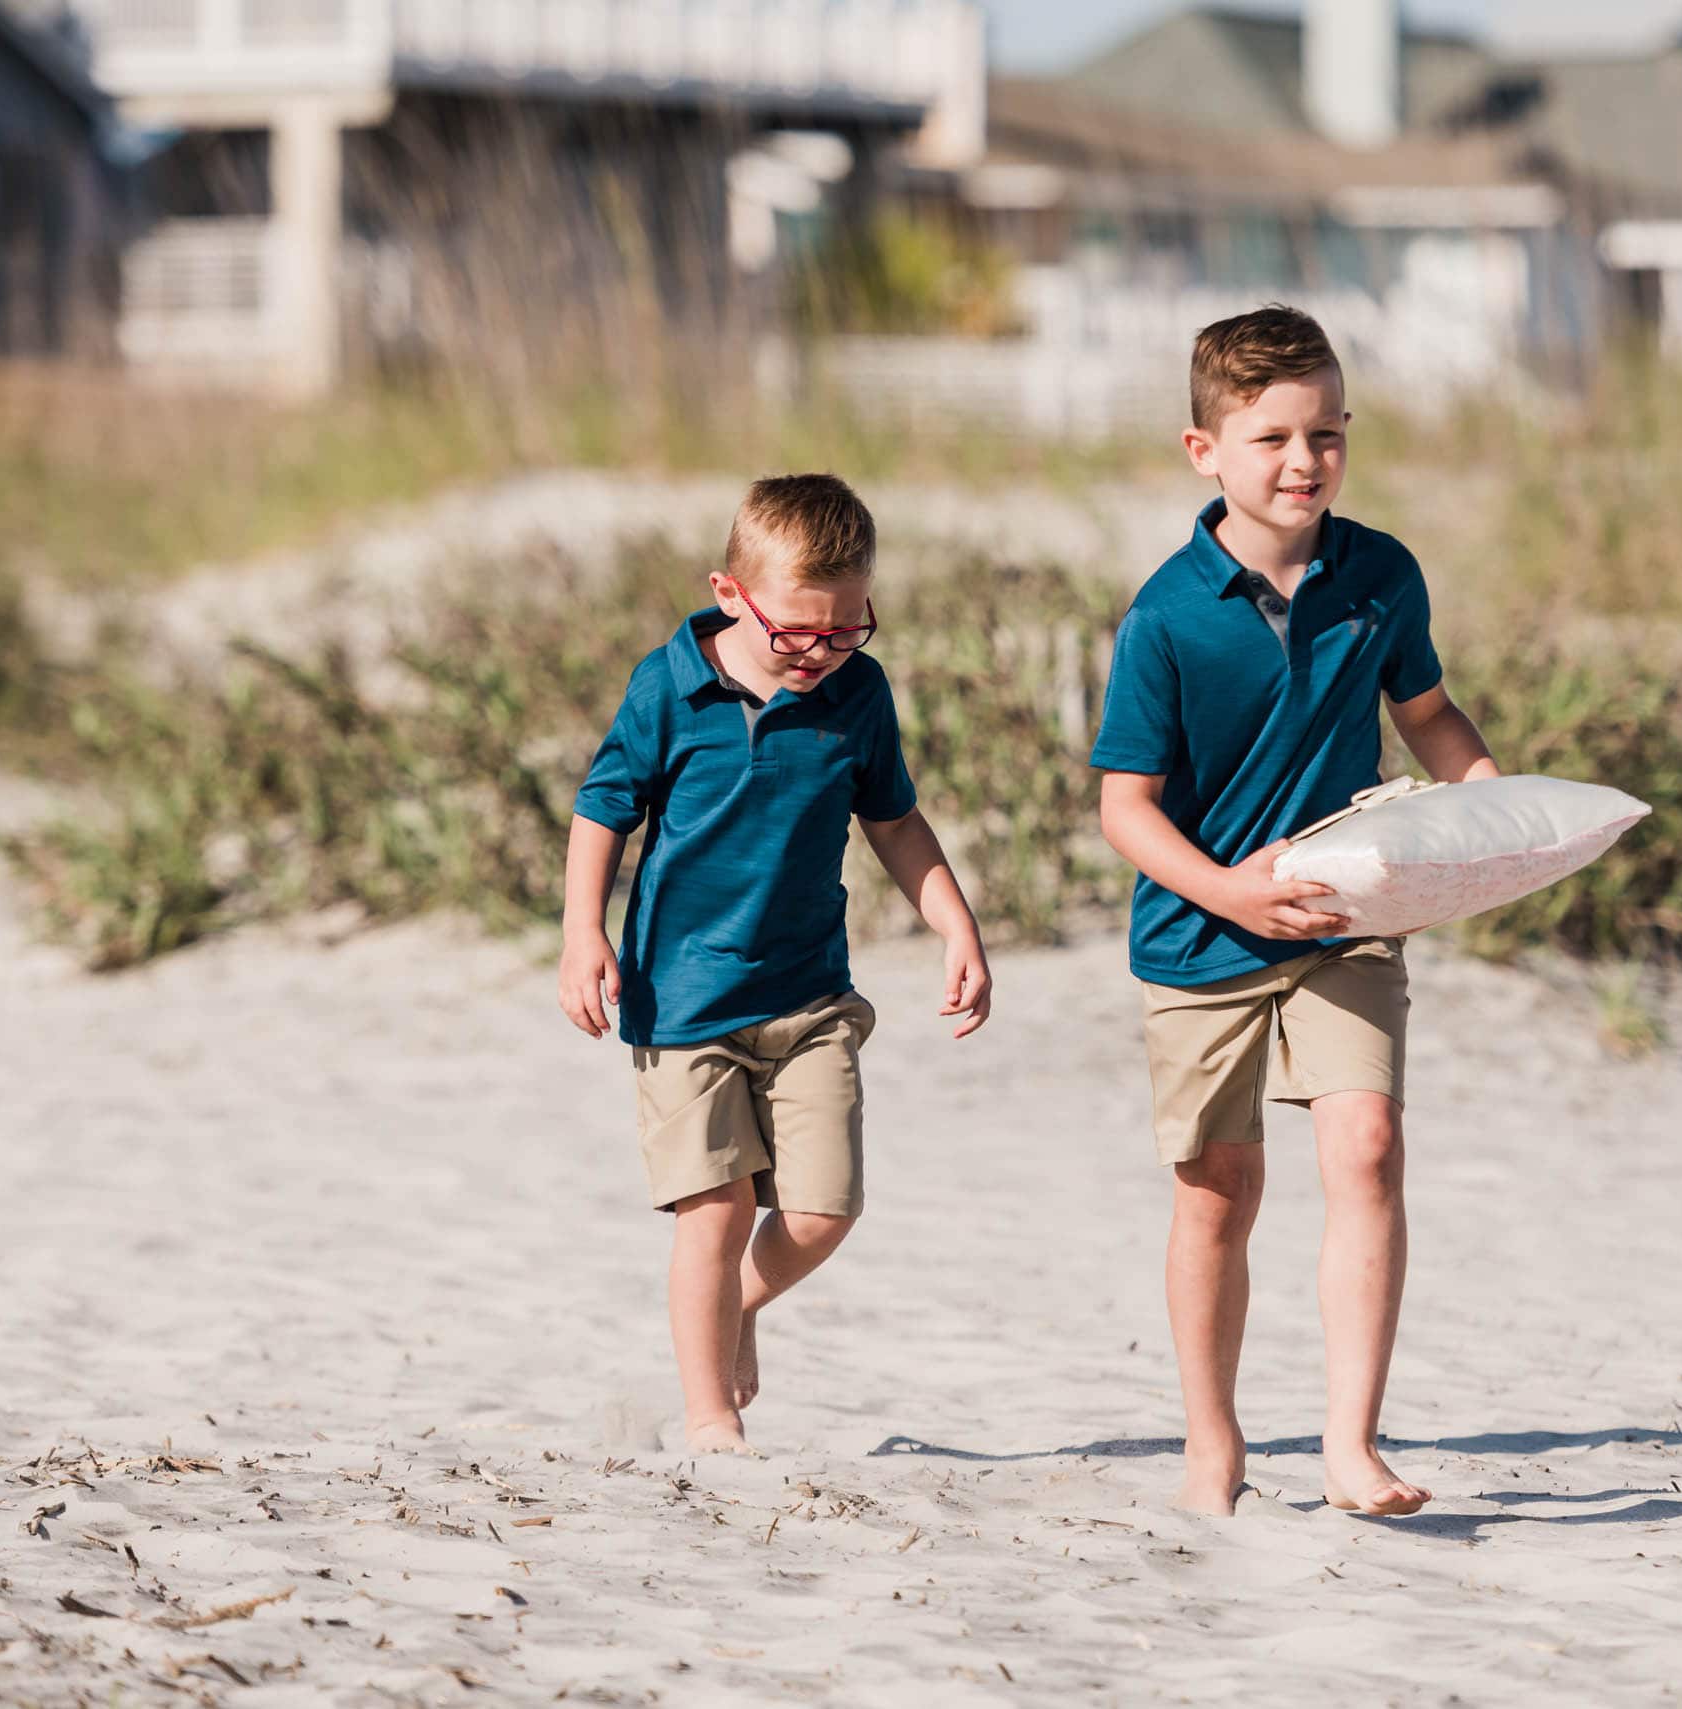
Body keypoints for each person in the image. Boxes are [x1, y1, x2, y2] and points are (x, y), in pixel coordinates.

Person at [1090, 306, 1501, 1517]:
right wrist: (1229, 892)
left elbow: (1426, 713)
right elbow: (1127, 807)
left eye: (1327, 432)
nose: (1303, 459)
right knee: (1219, 1186)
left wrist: (1490, 804)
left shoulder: (1381, 575)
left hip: (1345, 916)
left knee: (1367, 1149)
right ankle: (1212, 1438)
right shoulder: (1165, 615)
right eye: (1270, 435)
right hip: (1200, 932)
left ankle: (1348, 1444)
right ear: (1202, 449)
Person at [557, 473, 992, 1456]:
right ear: (729, 593)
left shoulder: (854, 694)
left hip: (810, 1001)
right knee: (711, 1211)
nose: (820, 652)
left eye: (847, 629)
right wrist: (583, 931)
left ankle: (735, 1306)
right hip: (682, 1005)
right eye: (796, 631)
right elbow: (602, 809)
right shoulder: (667, 686)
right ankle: (711, 1414)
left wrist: (954, 924)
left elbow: (893, 821)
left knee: (823, 1209)